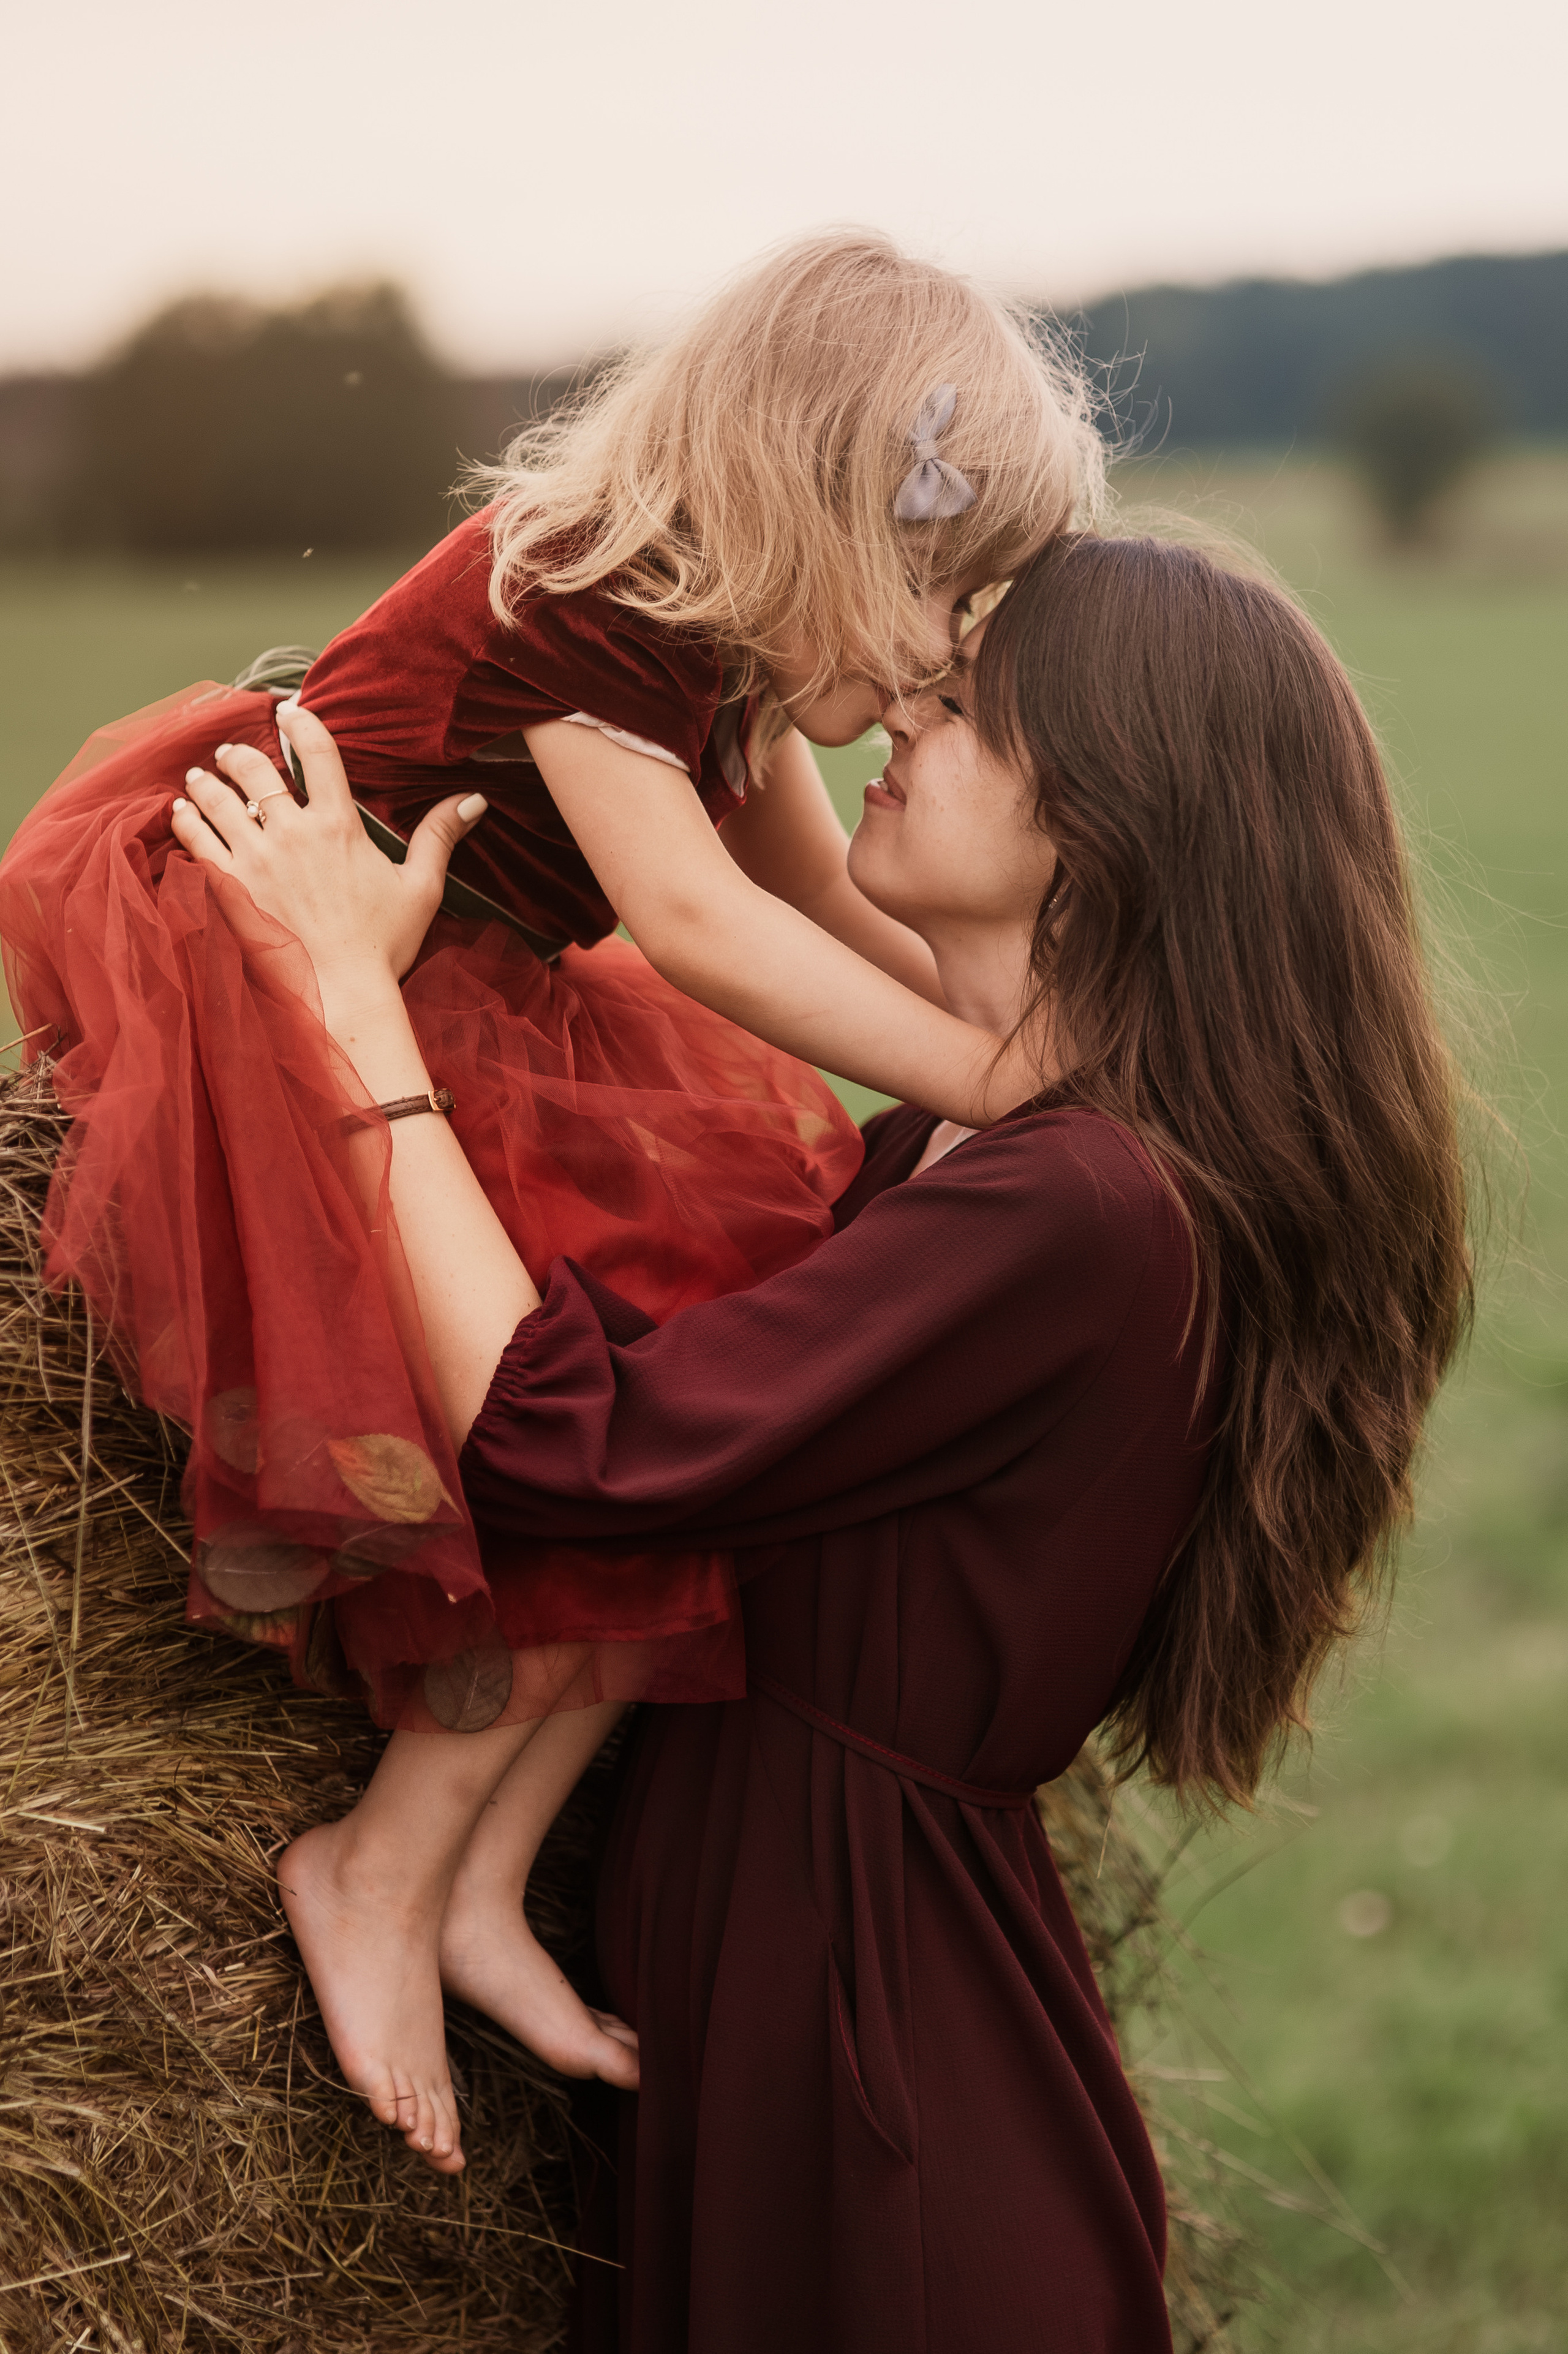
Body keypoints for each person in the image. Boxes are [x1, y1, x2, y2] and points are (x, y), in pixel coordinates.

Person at [164, 527, 1473, 2350]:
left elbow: (575, 1450)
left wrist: (350, 1002)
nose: (906, 713)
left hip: (873, 2066)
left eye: (972, 704)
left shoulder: (1088, 1208)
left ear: (1106, 822)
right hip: (801, 1986)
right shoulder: (977, 1145)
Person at [0, 236, 1101, 2162]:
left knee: (715, 1362)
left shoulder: (726, 649)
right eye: (936, 584)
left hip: (478, 976)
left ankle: (485, 1880)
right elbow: (694, 925)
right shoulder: (594, 594)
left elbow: (813, 895)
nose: (946, 648)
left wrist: (1054, 1046)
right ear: (815, 504)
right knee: (597, 1375)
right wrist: (1012, 1093)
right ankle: (373, 1864)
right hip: (309, 949)